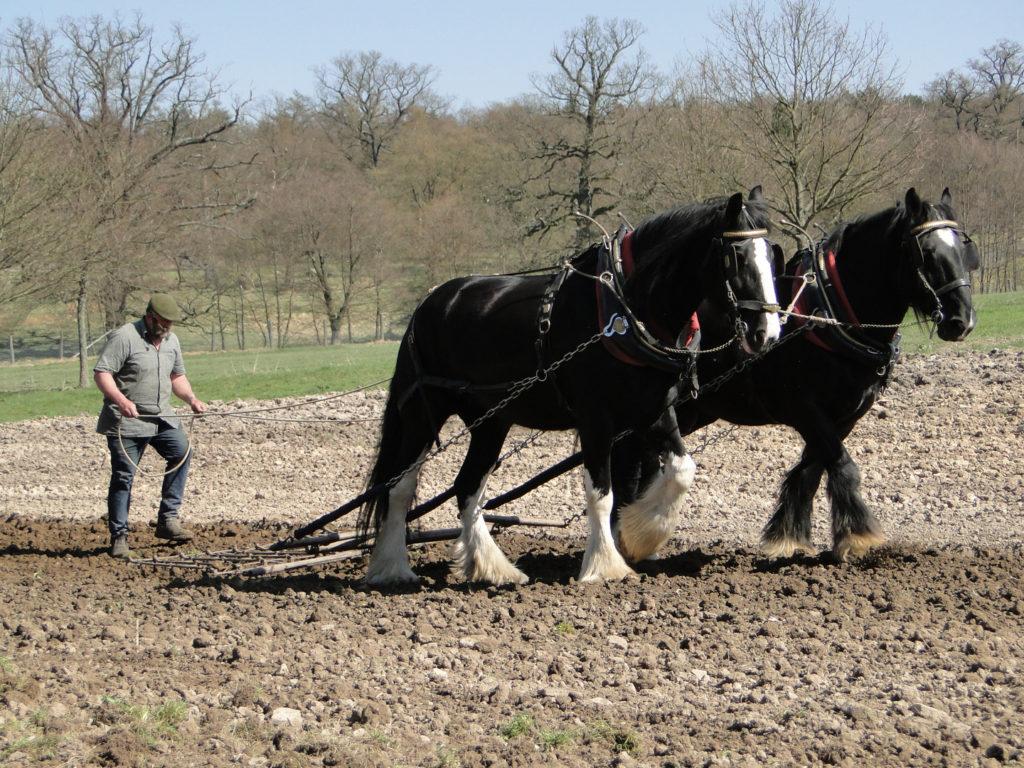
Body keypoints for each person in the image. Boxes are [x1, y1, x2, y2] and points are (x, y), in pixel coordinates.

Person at [93, 293, 207, 558]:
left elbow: (177, 376)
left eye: (171, 324)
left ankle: (168, 519)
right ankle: (119, 536)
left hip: (161, 417)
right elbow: (102, 373)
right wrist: (121, 401)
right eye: (164, 323)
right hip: (127, 421)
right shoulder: (125, 337)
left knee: (181, 451)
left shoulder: (171, 341)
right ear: (150, 317)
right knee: (123, 477)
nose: (167, 328)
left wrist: (191, 399)